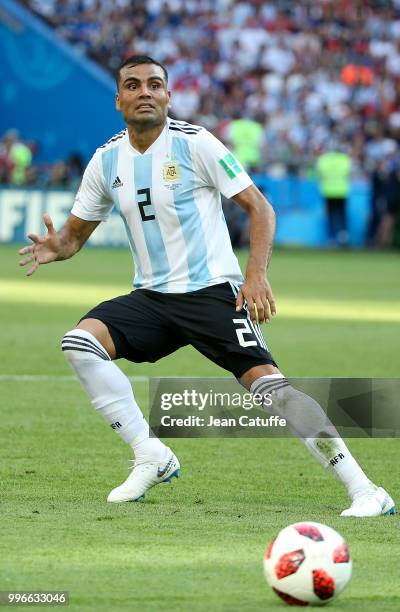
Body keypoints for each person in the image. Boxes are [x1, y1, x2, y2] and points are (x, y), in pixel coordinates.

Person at [19, 56, 395, 517]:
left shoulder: (195, 144)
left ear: (168, 96)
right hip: (153, 298)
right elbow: (75, 236)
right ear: (118, 100)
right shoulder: (106, 160)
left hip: (214, 293)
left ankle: (366, 490)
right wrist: (58, 246)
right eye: (133, 86)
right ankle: (151, 454)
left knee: (272, 390)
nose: (145, 92)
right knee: (79, 342)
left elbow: (260, 208)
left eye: (154, 85)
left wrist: (255, 275)